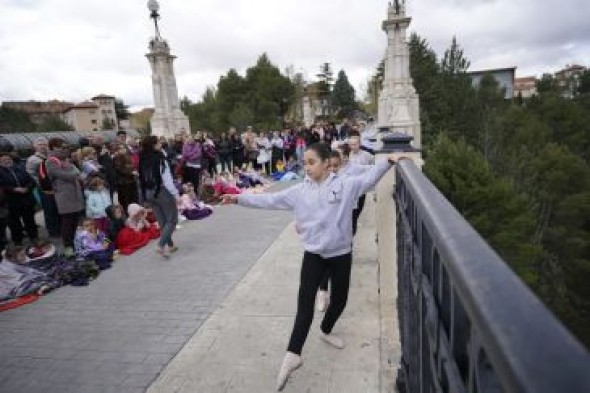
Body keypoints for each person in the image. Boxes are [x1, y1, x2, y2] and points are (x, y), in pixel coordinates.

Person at [221, 142, 406, 391]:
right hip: (314, 256)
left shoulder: (345, 185)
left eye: (311, 162)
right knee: (304, 305)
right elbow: (269, 200)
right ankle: (293, 354)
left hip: (340, 254)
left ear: (325, 163)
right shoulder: (299, 192)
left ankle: (326, 330)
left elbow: (370, 178)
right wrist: (237, 199)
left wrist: (390, 161)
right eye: (304, 163)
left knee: (339, 300)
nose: (306, 167)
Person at [139, 136, 180, 257]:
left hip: (149, 191)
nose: (160, 143)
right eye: (157, 142)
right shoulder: (160, 158)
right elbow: (167, 179)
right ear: (153, 145)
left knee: (162, 220)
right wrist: (176, 194)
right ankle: (161, 245)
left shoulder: (143, 159)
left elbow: (141, 178)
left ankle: (170, 245)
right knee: (172, 220)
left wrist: (145, 196)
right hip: (162, 190)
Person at [45, 138, 85, 257]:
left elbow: (76, 170)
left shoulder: (66, 159)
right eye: (60, 146)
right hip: (63, 195)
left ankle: (76, 242)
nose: (63, 148)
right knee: (67, 221)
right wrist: (75, 174)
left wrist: (75, 173)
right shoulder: (51, 161)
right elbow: (63, 175)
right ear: (53, 147)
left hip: (74, 192)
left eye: (64, 146)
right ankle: (68, 246)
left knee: (76, 219)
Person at [0, 153, 39, 246]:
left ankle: (34, 238)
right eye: (4, 160)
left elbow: (31, 181)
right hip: (11, 201)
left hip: (26, 199)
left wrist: (27, 188)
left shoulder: (21, 168)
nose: (7, 161)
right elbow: (2, 186)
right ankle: (18, 242)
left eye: (8, 159)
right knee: (14, 223)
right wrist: (14, 189)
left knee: (30, 220)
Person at [25, 137, 61, 237]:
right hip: (44, 188)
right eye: (40, 145)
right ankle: (53, 231)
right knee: (49, 209)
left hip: (55, 187)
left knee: (56, 208)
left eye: (44, 144)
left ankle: (58, 227)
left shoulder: (50, 156)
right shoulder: (32, 159)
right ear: (35, 147)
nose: (43, 147)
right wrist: (41, 184)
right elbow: (30, 174)